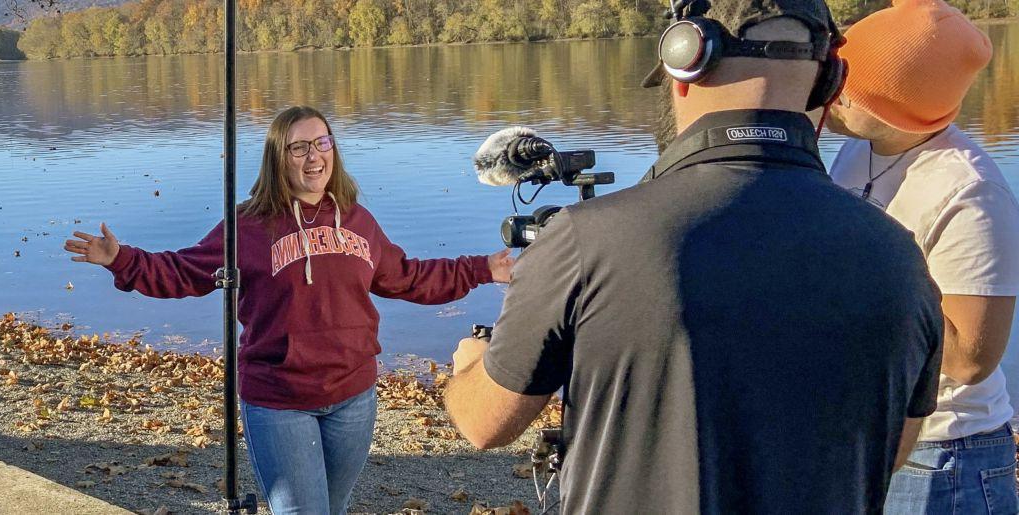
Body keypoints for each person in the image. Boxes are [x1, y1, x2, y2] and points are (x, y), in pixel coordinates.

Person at [443, 1, 946, 512]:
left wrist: (470, 367)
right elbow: (892, 448)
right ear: (829, 82)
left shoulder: (584, 240)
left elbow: (484, 424)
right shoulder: (899, 255)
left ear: (680, 69)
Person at [64, 105, 513, 515]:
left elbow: (407, 277)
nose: (313, 157)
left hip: (354, 397)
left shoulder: (357, 220)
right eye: (298, 148)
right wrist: (120, 259)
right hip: (280, 403)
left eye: (322, 143)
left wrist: (482, 268)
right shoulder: (248, 225)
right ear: (279, 158)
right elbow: (184, 271)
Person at [825, 1, 1019, 512]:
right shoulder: (859, 147)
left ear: (898, 105)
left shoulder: (969, 190)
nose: (832, 88)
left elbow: (971, 360)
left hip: (946, 457)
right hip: (870, 437)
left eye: (850, 83)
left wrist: (877, 266)